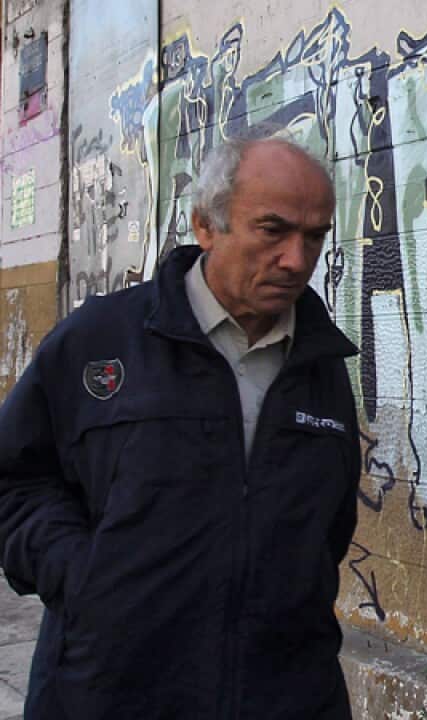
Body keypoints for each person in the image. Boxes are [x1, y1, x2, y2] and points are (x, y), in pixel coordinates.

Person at [0, 134, 360, 719]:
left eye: (314, 235)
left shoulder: (318, 364)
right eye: (273, 230)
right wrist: (85, 577)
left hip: (286, 695)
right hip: (110, 694)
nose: (298, 259)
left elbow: (329, 528)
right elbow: (15, 479)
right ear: (206, 225)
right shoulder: (101, 342)